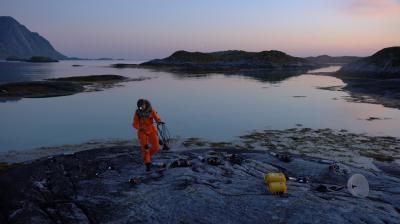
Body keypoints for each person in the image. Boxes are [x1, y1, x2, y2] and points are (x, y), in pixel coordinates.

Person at [132, 99, 163, 171]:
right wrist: (139, 127)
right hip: (142, 132)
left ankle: (146, 158)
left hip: (152, 130)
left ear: (145, 104)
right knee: (145, 149)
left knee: (156, 147)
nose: (141, 108)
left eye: (142, 106)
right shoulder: (137, 113)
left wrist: (159, 121)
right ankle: (147, 163)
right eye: (139, 107)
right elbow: (134, 124)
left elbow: (157, 118)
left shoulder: (151, 110)